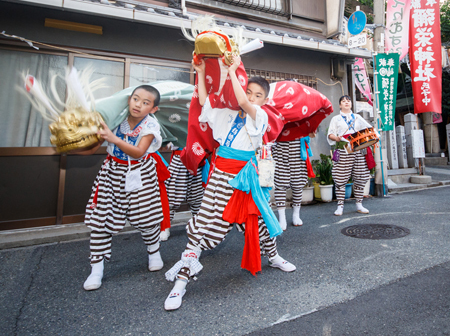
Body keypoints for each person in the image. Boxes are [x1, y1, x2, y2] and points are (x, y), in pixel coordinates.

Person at [164, 55, 295, 311]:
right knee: (202, 226)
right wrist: (201, 73)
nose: (252, 97)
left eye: (259, 95)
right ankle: (180, 283)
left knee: (258, 224)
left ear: (265, 100)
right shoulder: (227, 112)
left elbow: (244, 103)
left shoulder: (260, 116)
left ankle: (274, 257)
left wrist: (233, 71)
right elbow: (204, 102)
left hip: (245, 180)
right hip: (219, 179)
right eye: (250, 92)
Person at [82, 85, 165, 291]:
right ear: (129, 99)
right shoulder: (116, 118)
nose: (138, 105)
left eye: (146, 103)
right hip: (111, 173)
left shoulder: (151, 125)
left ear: (153, 109)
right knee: (100, 219)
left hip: (140, 174)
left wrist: (113, 138)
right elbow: (92, 149)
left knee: (147, 218)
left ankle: (154, 252)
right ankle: (96, 269)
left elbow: (138, 152)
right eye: (136, 99)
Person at [327, 95, 373, 216]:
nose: (346, 102)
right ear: (340, 105)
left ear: (351, 104)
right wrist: (336, 138)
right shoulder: (336, 119)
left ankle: (359, 204)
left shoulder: (357, 117)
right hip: (343, 148)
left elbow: (369, 129)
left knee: (360, 176)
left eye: (348, 101)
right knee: (340, 177)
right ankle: (340, 206)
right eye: (343, 101)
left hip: (358, 148)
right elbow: (330, 134)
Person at [160, 144, 205, 241]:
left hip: (196, 157)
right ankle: (165, 227)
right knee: (171, 197)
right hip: (179, 157)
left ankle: (199, 226)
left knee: (197, 198)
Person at [273, 132, 316, 230]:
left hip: (297, 150)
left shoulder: (302, 117)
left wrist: (311, 132)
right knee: (280, 183)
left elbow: (313, 134)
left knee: (298, 183)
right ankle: (282, 218)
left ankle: (296, 215)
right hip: (280, 148)